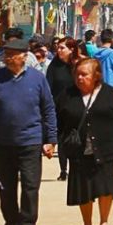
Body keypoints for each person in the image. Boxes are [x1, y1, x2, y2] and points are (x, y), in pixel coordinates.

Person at [0, 39, 57, 225]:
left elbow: (48, 110)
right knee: (6, 189)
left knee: (31, 187)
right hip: (3, 143)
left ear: (24, 56)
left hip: (30, 142)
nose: (8, 58)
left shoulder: (38, 79)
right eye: (6, 54)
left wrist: (51, 139)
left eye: (12, 54)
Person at [56, 58, 113, 225]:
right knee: (83, 188)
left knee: (106, 185)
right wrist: (49, 141)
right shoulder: (67, 95)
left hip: (106, 148)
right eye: (77, 74)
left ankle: (104, 223)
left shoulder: (110, 94)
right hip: (78, 150)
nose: (80, 78)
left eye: (84, 74)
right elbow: (57, 121)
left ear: (96, 76)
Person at [48, 37, 80, 181]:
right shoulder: (54, 66)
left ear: (71, 49)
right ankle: (63, 170)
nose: (58, 50)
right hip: (58, 107)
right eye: (58, 48)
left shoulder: (79, 64)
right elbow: (48, 86)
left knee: (76, 138)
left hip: (76, 106)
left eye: (62, 48)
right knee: (61, 138)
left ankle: (76, 167)